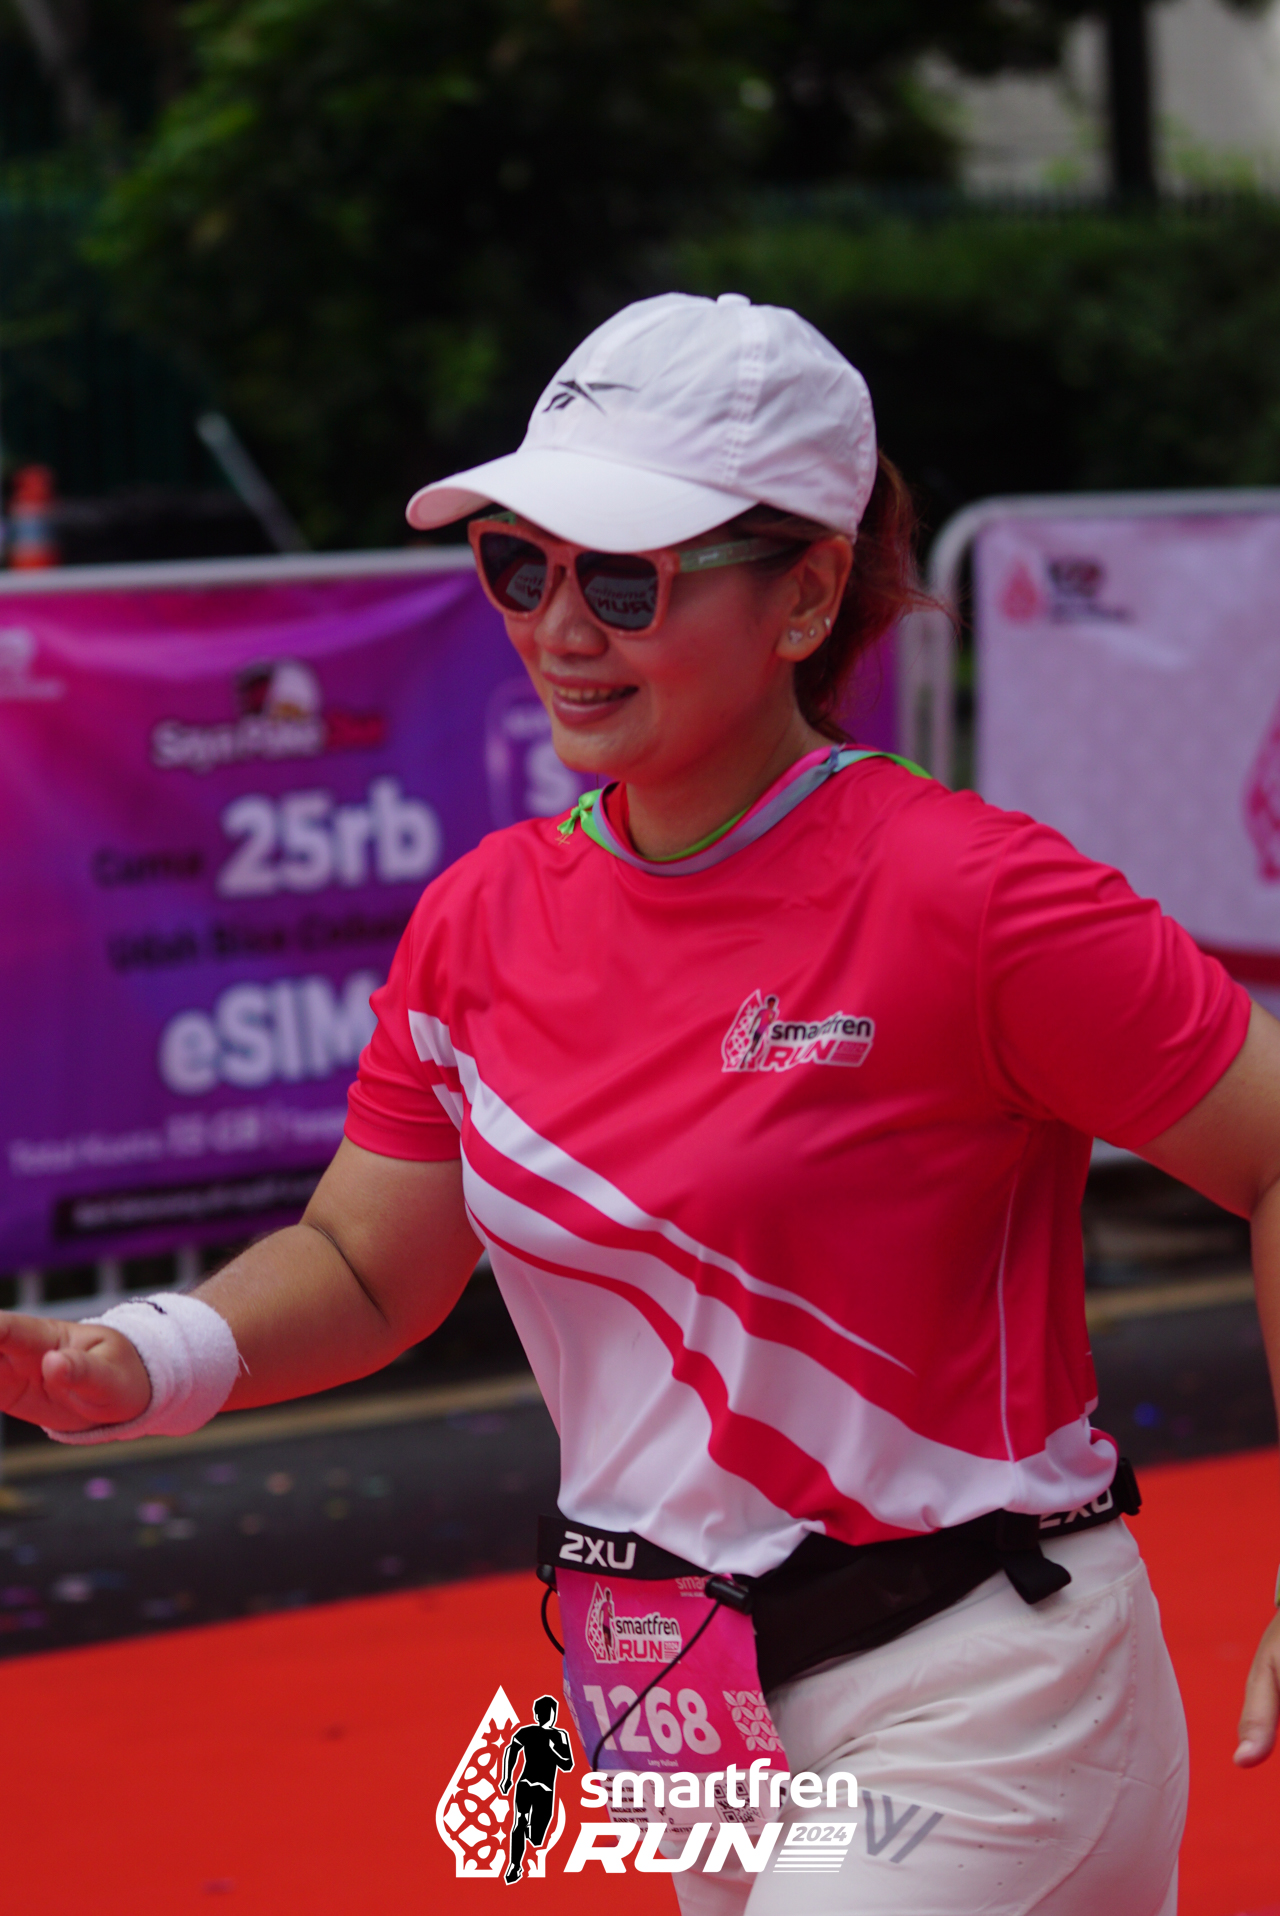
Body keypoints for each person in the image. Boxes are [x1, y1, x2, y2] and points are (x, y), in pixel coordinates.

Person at [2, 291, 1279, 1915]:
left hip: (982, 1690)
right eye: (518, 564)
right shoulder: (478, 917)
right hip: (682, 1715)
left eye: (626, 578)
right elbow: (371, 1266)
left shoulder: (977, 899)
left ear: (808, 593)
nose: (559, 628)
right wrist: (145, 1355)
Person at [499, 1694, 574, 1883]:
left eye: (548, 1712)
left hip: (544, 1790)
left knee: (536, 1837)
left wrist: (552, 1750)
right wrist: (507, 1777)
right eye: (543, 1712)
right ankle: (515, 1865)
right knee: (519, 1820)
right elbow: (511, 1750)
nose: (546, 1715)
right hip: (527, 1784)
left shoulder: (560, 1735)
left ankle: (526, 1834)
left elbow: (567, 1765)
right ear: (537, 1714)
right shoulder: (527, 1732)